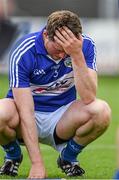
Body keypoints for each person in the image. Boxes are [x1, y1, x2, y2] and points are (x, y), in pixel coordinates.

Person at [0, 10, 111, 179]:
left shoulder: (84, 46)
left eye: (66, 51)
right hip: (24, 117)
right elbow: (25, 110)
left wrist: (76, 54)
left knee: (101, 111)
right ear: (46, 34)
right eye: (58, 49)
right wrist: (37, 164)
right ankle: (13, 155)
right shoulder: (24, 50)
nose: (61, 55)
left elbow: (88, 97)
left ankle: (67, 158)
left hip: (62, 119)